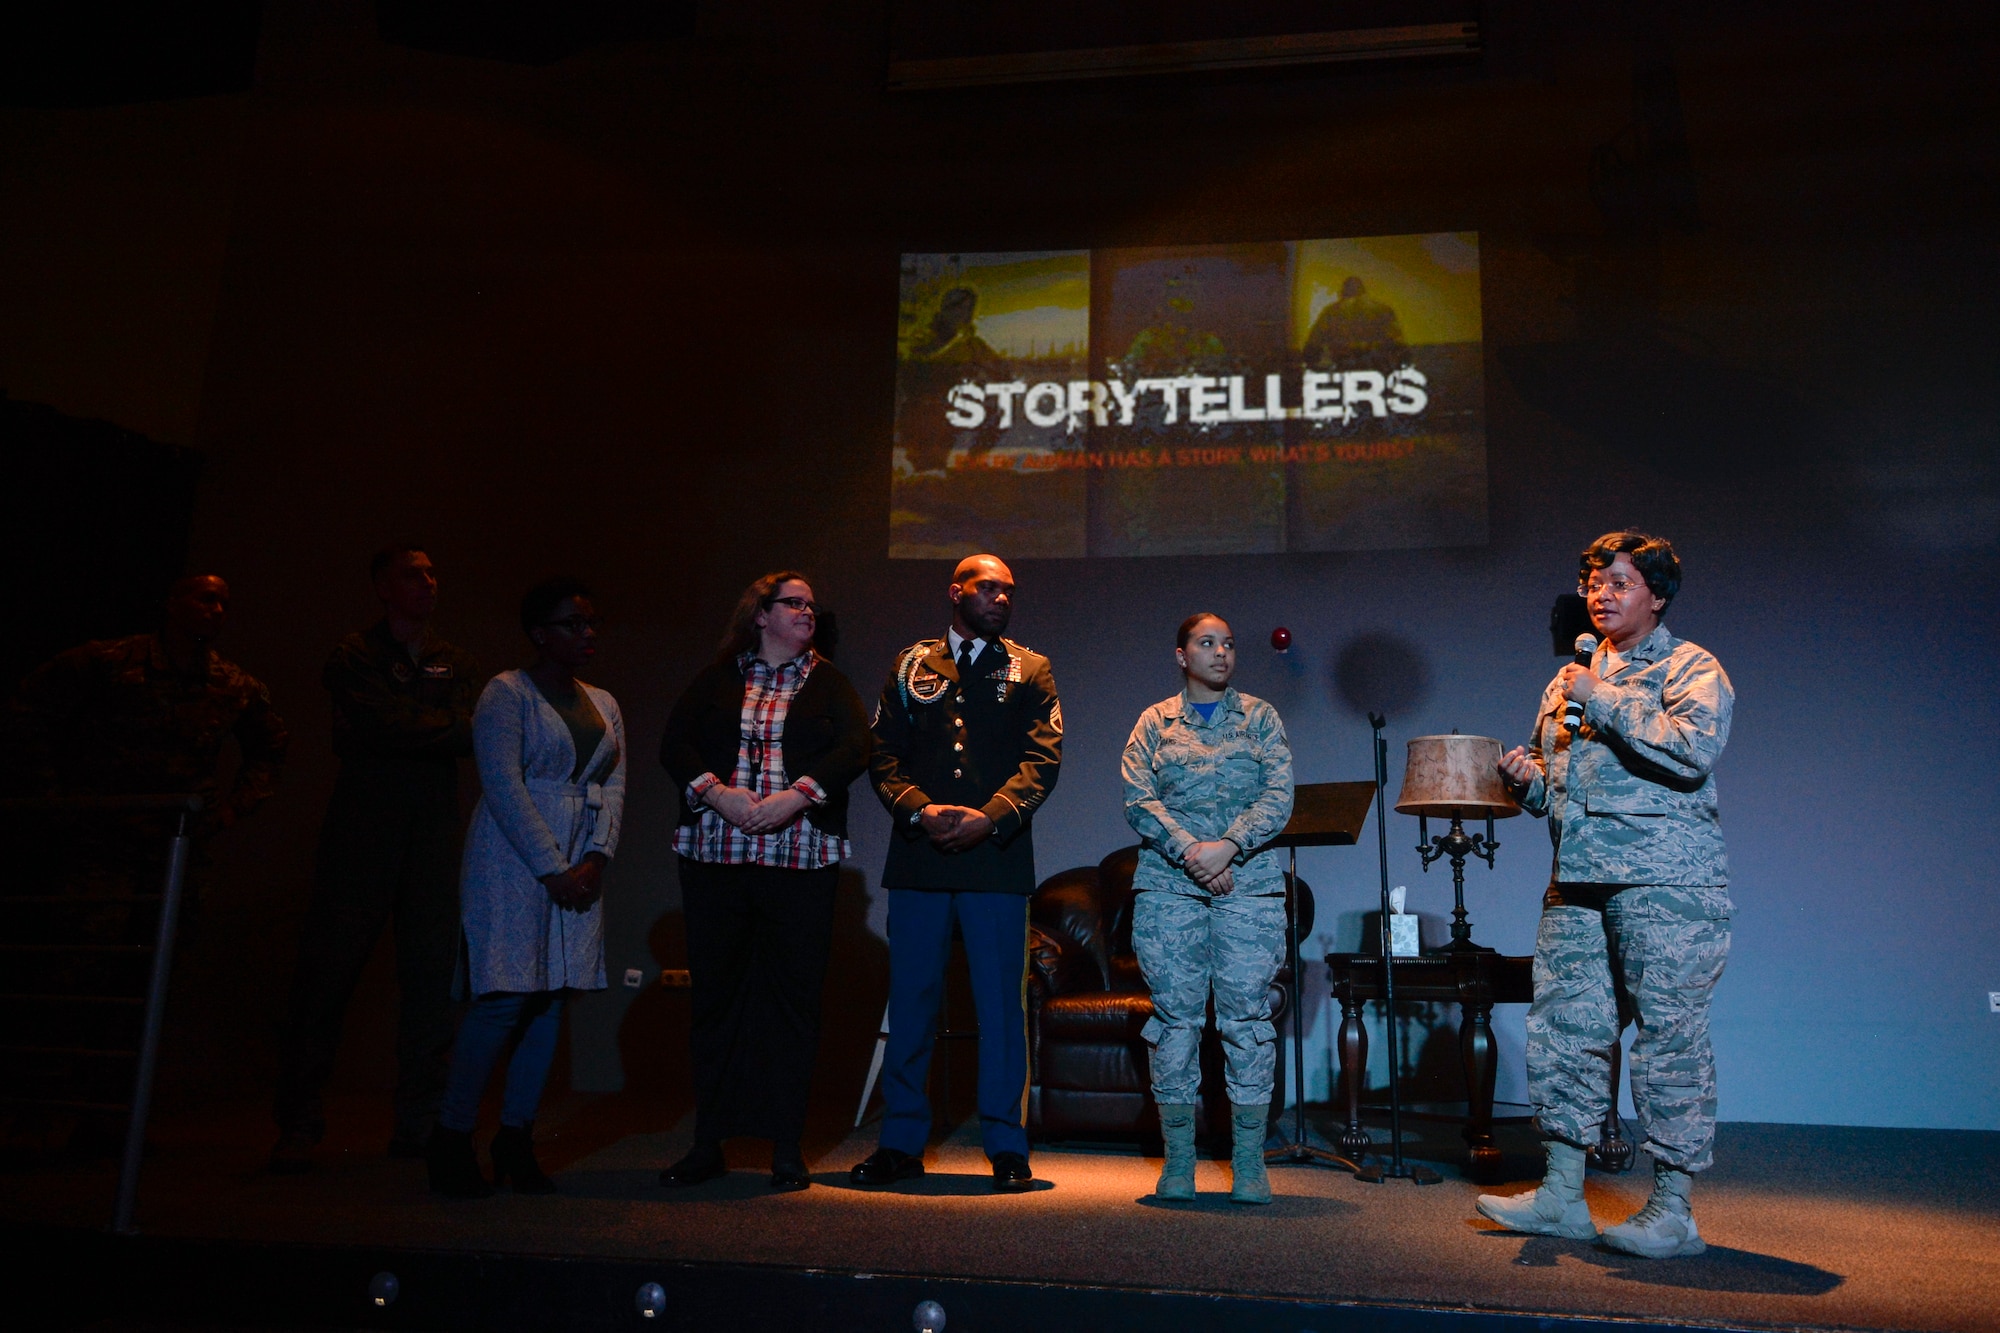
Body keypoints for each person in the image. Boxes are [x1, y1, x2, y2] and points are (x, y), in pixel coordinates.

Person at [1479, 532, 1733, 1259]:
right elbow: (1561, 791)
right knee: (1565, 1031)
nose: (1602, 593)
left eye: (1619, 581)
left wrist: (1606, 695)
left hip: (1667, 884)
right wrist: (1527, 780)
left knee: (1669, 1039)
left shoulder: (1689, 666)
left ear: (1656, 595)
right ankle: (1563, 1195)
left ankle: (1673, 1210)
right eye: (1595, 580)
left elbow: (1692, 749)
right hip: (1577, 880)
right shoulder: (1569, 679)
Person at [850, 554, 1060, 1193]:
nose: (1000, 598)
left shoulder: (1031, 667)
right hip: (920, 858)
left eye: (1009, 591)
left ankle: (1005, 1146)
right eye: (987, 587)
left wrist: (990, 817)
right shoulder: (911, 663)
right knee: (912, 1003)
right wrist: (920, 809)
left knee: (1001, 1008)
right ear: (956, 592)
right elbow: (882, 754)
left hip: (996, 860)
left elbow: (1041, 760)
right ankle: (900, 1143)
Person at [657, 572, 872, 1192]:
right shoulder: (721, 676)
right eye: (794, 602)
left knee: (792, 1003)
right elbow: (675, 744)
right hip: (716, 858)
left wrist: (796, 798)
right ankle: (708, 1143)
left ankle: (784, 1144)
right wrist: (716, 794)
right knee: (717, 999)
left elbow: (856, 747)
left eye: (811, 604)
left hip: (798, 860)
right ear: (760, 614)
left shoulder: (828, 682)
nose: (808, 611)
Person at [271, 546, 479, 1172]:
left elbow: (469, 730)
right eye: (413, 574)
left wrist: (408, 727)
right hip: (361, 838)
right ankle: (299, 1125)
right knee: (325, 981)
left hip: (430, 840)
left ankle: (416, 1128)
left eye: (432, 572)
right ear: (382, 587)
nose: (428, 583)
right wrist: (426, 727)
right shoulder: (355, 655)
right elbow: (372, 727)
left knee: (429, 989)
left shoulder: (454, 659)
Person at [428, 577, 625, 1197]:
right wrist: (551, 866)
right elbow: (503, 785)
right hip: (513, 858)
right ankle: (452, 1136)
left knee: (551, 996)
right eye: (572, 623)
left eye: (591, 622)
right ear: (540, 633)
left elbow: (614, 784)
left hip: (579, 853)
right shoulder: (506, 693)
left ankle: (516, 1137)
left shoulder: (604, 701)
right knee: (506, 996)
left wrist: (596, 856)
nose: (586, 633)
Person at [1121, 614, 1295, 1204]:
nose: (1221, 652)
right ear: (1181, 654)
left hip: (1249, 887)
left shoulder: (1261, 717)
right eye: (1207, 643)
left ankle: (1249, 1165)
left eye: (1228, 642)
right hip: (1170, 888)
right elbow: (1137, 798)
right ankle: (1178, 1164)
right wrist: (1191, 851)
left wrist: (1228, 847)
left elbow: (1279, 794)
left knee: (1246, 1021)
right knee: (1176, 1022)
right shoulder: (1153, 722)